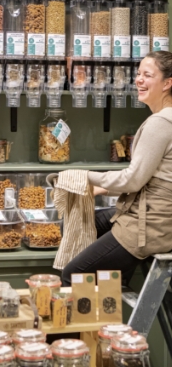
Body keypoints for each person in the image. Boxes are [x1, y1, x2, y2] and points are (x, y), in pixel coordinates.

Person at [62, 50, 172, 287]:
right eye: (138, 73)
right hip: (156, 217)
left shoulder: (161, 122)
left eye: (148, 75)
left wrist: (85, 177)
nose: (139, 80)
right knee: (87, 219)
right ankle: (115, 282)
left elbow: (133, 180)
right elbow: (152, 178)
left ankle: (102, 301)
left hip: (150, 225)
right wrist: (101, 190)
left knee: (72, 275)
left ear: (167, 83)